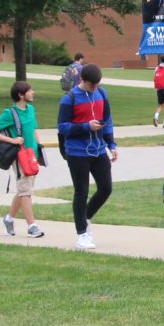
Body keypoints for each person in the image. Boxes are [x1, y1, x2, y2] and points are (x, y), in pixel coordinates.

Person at [58, 65, 117, 248]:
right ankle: (82, 233)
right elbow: (63, 127)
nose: (95, 88)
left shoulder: (102, 94)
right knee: (81, 192)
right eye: (92, 85)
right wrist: (85, 126)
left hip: (98, 150)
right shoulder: (70, 98)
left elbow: (107, 121)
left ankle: (86, 217)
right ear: (82, 80)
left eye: (97, 85)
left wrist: (112, 144)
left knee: (106, 188)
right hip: (77, 152)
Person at [0, 81, 45, 238]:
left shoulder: (31, 110)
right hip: (20, 156)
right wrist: (13, 141)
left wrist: (39, 146)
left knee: (24, 190)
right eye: (29, 91)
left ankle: (8, 219)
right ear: (21, 95)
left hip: (32, 156)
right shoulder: (9, 113)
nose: (32, 93)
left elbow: (33, 129)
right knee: (25, 191)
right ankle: (32, 226)